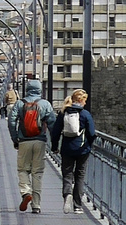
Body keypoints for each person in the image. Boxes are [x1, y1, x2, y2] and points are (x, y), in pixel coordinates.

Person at [9, 78, 57, 214]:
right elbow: (52, 124)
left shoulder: (19, 103)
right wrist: (54, 144)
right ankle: (36, 205)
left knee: (23, 169)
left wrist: (15, 139)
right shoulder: (45, 104)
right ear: (40, 90)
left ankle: (25, 193)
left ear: (27, 90)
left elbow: (11, 122)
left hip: (24, 141)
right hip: (40, 141)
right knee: (37, 173)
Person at [52, 89, 96, 213]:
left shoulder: (63, 113)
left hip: (67, 148)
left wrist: (54, 147)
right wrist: (89, 145)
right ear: (81, 100)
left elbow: (55, 132)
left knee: (67, 174)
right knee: (80, 175)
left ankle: (67, 195)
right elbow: (92, 133)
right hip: (83, 149)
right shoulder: (85, 114)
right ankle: (78, 206)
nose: (85, 103)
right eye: (85, 100)